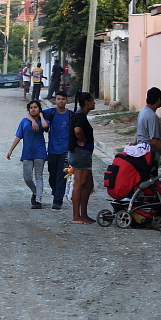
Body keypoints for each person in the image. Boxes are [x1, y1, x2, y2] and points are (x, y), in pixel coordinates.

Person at [7, 100, 49, 208]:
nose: (33, 109)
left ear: (39, 109)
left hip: (40, 151)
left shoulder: (42, 120)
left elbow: (45, 127)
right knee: (27, 177)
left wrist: (40, 117)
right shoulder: (24, 121)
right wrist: (11, 150)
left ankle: (38, 200)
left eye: (35, 107)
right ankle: (35, 192)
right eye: (31, 107)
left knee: (38, 176)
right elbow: (18, 136)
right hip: (27, 152)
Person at [42, 91, 73, 210]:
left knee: (62, 175)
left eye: (63, 99)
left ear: (66, 101)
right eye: (58, 99)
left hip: (65, 151)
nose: (61, 101)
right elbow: (34, 112)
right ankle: (55, 190)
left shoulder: (71, 115)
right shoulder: (51, 112)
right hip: (52, 150)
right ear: (55, 100)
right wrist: (38, 118)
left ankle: (57, 200)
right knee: (52, 175)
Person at [68, 92, 96, 223]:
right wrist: (83, 139)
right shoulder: (80, 117)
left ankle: (84, 214)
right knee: (79, 184)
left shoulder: (80, 116)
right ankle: (76, 216)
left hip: (83, 154)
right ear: (86, 102)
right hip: (81, 153)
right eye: (92, 101)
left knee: (88, 185)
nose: (94, 103)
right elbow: (78, 130)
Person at [134, 87, 161, 163]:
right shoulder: (152, 116)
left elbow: (139, 131)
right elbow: (154, 141)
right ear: (159, 99)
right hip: (149, 156)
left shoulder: (142, 111)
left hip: (141, 152)